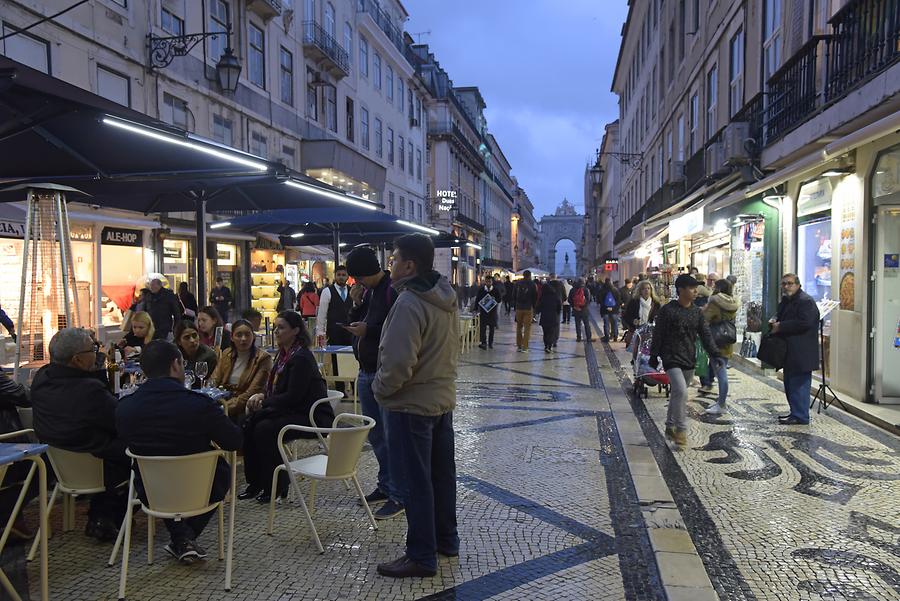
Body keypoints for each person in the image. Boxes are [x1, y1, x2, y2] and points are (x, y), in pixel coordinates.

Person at [373, 233, 459, 578]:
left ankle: (422, 555)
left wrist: (381, 389)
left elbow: (398, 363)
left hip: (410, 405)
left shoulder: (410, 302)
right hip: (440, 399)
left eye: (393, 259)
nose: (390, 264)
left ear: (409, 265)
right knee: (441, 475)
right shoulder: (444, 297)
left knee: (415, 482)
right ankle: (446, 539)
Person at [116, 340, 242, 563]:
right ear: (176, 365)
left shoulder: (125, 408)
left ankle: (181, 536)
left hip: (151, 492)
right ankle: (184, 536)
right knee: (221, 469)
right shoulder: (200, 406)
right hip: (199, 489)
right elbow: (234, 441)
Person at [31, 328, 128, 541]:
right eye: (93, 348)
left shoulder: (41, 379)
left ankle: (101, 516)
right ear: (77, 359)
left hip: (58, 461)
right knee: (141, 446)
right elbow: (120, 420)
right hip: (97, 466)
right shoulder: (89, 391)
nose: (96, 351)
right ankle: (108, 516)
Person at [238, 311, 334, 503]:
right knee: (249, 423)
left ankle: (275, 484)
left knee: (264, 429)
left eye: (281, 327)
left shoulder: (301, 358)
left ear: (295, 331)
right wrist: (262, 396)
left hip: (310, 415)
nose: (276, 331)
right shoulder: (284, 356)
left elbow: (293, 396)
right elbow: (277, 390)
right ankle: (256, 482)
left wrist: (264, 402)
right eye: (275, 327)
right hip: (292, 409)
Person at [344, 246, 404, 520]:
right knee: (376, 435)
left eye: (358, 277)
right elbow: (359, 322)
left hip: (382, 372)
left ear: (368, 271)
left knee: (392, 436)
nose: (357, 282)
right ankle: (386, 484)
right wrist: (355, 305)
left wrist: (368, 330)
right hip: (365, 370)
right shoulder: (367, 292)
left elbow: (398, 329)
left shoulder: (392, 290)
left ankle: (399, 495)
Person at [649, 274, 722, 448]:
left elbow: (705, 335)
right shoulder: (667, 310)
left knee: (677, 393)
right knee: (681, 391)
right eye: (691, 288)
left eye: (696, 288)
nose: (696, 291)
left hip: (688, 358)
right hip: (671, 357)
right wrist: (654, 355)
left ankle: (669, 425)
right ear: (681, 290)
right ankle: (681, 431)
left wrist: (715, 353)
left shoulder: (696, 312)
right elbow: (658, 334)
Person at [770, 273, 820, 425]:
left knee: (799, 385)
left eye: (789, 283)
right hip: (791, 351)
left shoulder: (806, 302)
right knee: (790, 384)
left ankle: (801, 416)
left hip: (802, 352)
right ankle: (795, 413)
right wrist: (774, 321)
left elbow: (805, 323)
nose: (786, 287)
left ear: (798, 285)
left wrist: (781, 326)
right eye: (784, 284)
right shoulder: (788, 301)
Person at [209, 319, 273, 420]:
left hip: (244, 405)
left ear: (254, 337)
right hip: (222, 400)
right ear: (232, 338)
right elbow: (213, 381)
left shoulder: (263, 358)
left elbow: (251, 392)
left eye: (247, 335)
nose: (243, 339)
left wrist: (223, 408)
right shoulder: (227, 354)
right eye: (239, 335)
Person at [701, 279, 739, 415]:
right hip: (727, 341)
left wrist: (704, 309)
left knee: (721, 374)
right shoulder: (733, 302)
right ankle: (720, 402)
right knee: (721, 371)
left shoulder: (715, 302)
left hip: (715, 341)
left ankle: (721, 404)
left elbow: (705, 318)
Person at [315, 265, 354, 347]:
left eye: (343, 275)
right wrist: (320, 333)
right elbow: (322, 314)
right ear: (335, 276)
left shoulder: (352, 291)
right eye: (339, 275)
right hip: (334, 332)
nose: (341, 277)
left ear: (347, 276)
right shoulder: (327, 291)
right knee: (334, 358)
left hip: (350, 332)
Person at [174, 320, 218, 386]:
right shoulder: (174, 355)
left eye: (194, 335)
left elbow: (208, 382)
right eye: (187, 337)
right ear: (179, 341)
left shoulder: (209, 355)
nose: (192, 340)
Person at [474, 275, 502, 349]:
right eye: (487, 282)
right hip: (483, 312)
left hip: (492, 312)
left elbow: (499, 299)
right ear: (485, 282)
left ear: (492, 282)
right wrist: (476, 308)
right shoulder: (482, 290)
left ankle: (490, 343)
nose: (488, 283)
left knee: (491, 328)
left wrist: (494, 299)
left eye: (489, 282)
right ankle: (483, 342)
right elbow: (477, 299)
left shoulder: (495, 290)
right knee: (482, 328)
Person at [514, 271, 538, 352]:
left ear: (523, 275)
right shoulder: (532, 284)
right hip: (528, 308)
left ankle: (519, 346)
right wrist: (534, 308)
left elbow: (513, 295)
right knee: (527, 328)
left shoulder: (517, 283)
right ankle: (525, 347)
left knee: (519, 327)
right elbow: (535, 297)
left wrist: (515, 305)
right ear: (530, 276)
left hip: (519, 308)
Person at [538, 279, 563, 352]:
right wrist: (557, 312)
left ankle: (546, 345)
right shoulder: (555, 296)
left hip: (544, 317)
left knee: (545, 333)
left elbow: (539, 307)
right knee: (551, 332)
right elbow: (559, 306)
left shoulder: (543, 297)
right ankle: (549, 346)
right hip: (553, 317)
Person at [568, 278, 593, 342]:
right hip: (584, 310)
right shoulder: (586, 289)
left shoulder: (572, 289)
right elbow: (589, 300)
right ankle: (588, 338)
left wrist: (574, 306)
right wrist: (583, 306)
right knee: (586, 324)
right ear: (584, 282)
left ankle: (578, 337)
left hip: (576, 310)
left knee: (578, 324)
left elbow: (569, 300)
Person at [598, 278, 621, 342]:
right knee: (615, 323)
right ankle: (615, 336)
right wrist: (614, 308)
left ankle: (607, 337)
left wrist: (606, 307)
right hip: (614, 310)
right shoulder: (615, 290)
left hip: (605, 310)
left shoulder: (602, 290)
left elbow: (599, 300)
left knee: (606, 323)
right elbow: (618, 300)